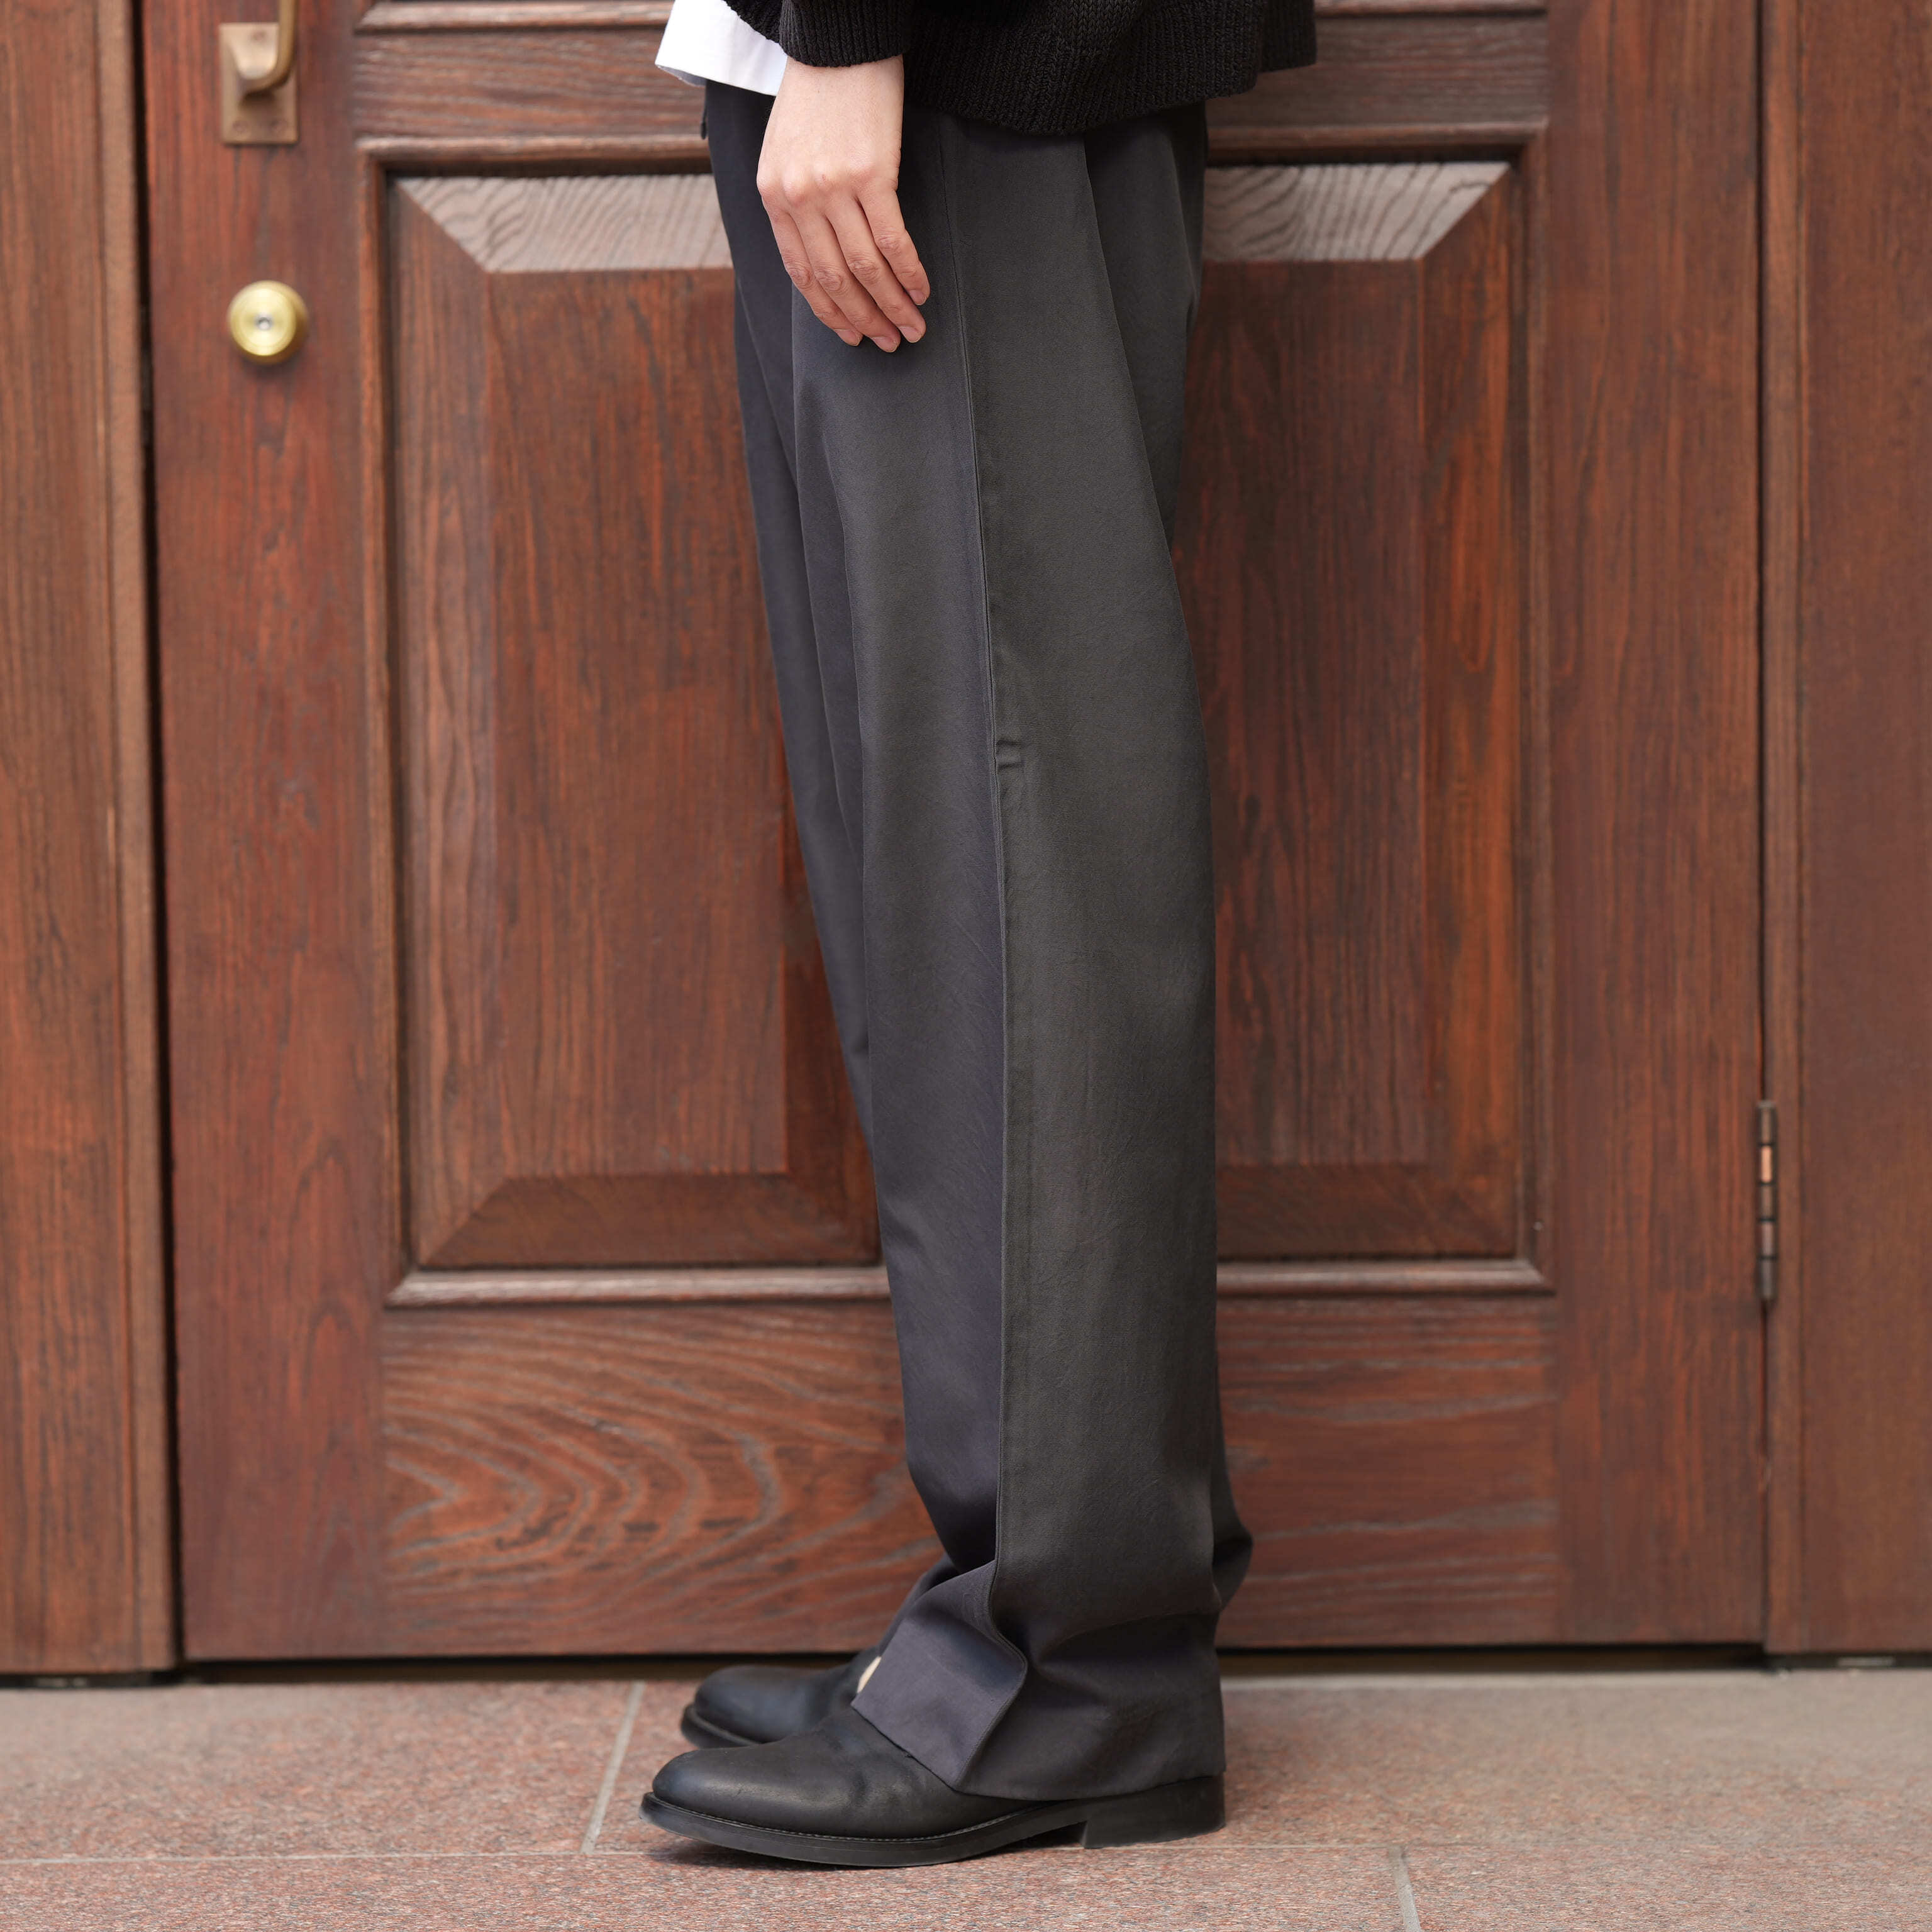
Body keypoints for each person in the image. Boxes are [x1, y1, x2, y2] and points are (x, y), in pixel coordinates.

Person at [640, 0, 1314, 1869]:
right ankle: (1008, 1628)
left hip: (960, 58)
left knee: (1014, 852)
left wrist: (855, 30)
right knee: (940, 865)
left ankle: (1072, 1671)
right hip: (893, 56)